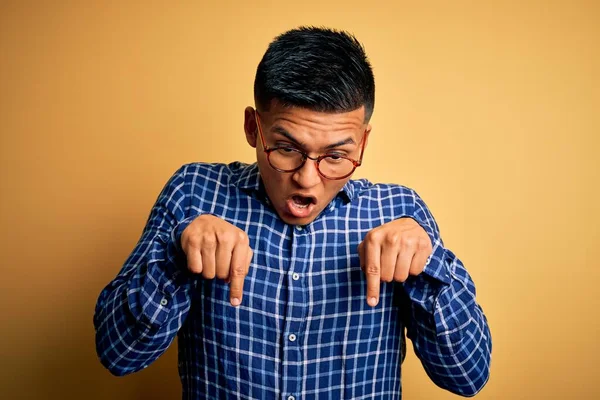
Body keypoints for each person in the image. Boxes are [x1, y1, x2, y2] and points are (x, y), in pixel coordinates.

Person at [94, 26, 492, 399]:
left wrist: (429, 267)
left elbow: (468, 377)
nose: (307, 179)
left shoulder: (399, 212)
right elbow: (118, 355)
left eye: (336, 156)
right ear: (254, 127)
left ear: (363, 143)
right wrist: (176, 259)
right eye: (286, 148)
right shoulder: (194, 193)